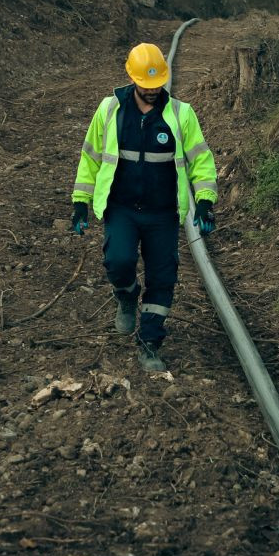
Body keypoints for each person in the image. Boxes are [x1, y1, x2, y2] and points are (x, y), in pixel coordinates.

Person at [70, 42, 218, 372]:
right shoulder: (110, 110)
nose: (152, 92)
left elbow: (201, 162)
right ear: (132, 79)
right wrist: (80, 203)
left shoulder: (181, 115)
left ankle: (150, 342)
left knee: (162, 277)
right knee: (118, 261)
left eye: (157, 85)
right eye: (146, 85)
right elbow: (90, 157)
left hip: (163, 213)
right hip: (121, 208)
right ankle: (125, 295)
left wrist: (205, 202)